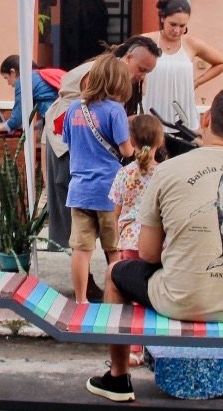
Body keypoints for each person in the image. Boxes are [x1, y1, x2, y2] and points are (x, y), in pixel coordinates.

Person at [86, 88, 223, 404]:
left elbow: (148, 254)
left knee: (114, 274)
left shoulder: (168, 171)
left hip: (178, 300)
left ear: (206, 119)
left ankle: (119, 377)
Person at [42, 36, 160, 252]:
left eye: (147, 72)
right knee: (92, 231)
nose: (142, 75)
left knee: (85, 234)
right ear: (128, 57)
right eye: (141, 68)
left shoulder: (120, 80)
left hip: (85, 155)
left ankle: (89, 278)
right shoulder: (99, 75)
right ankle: (96, 279)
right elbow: (99, 117)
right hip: (77, 153)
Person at [63, 55, 134, 303]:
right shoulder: (115, 111)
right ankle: (116, 301)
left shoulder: (73, 108)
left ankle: (81, 300)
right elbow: (126, 151)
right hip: (109, 191)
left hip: (79, 190)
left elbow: (68, 143)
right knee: (114, 250)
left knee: (81, 250)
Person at [110, 114, 165, 367]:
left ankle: (131, 348)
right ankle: (150, 344)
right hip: (157, 241)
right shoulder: (165, 173)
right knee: (151, 293)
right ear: (160, 140)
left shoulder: (124, 174)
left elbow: (117, 211)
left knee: (129, 294)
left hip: (130, 239)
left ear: (131, 139)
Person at [142, 0, 223, 131]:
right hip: (152, 112)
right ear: (163, 18)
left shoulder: (191, 44)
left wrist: (197, 82)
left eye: (182, 26)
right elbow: (120, 59)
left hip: (183, 116)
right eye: (173, 24)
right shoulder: (146, 40)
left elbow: (222, 62)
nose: (177, 31)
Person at [0, 55, 61, 134]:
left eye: (6, 78)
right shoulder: (38, 77)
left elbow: (17, 118)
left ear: (13, 72)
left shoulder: (24, 80)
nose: (8, 83)